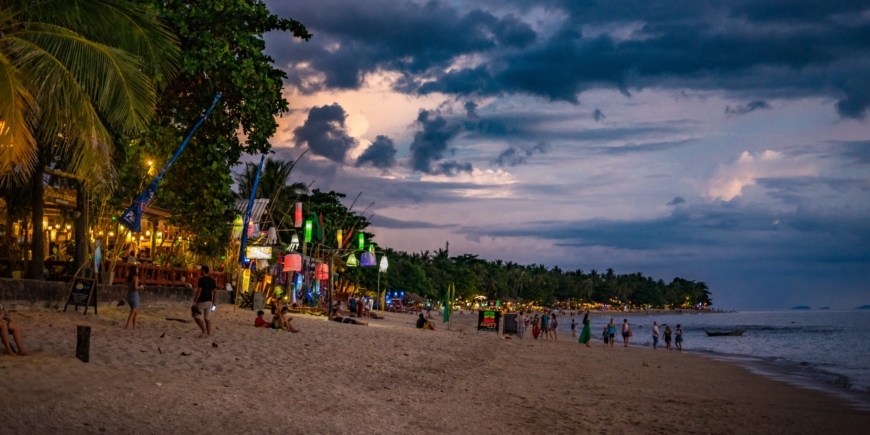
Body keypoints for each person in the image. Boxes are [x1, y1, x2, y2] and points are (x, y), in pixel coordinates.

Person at [191, 265, 217, 338]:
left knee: (196, 316)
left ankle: (204, 330)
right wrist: (214, 302)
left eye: (201, 270)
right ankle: (208, 334)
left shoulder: (201, 280)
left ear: (204, 271)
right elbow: (215, 292)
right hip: (209, 302)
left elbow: (199, 291)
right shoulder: (212, 280)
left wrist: (195, 300)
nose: (200, 272)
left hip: (202, 300)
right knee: (207, 318)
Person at [124, 265, 143, 330]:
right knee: (133, 311)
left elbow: (124, 287)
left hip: (129, 295)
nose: (138, 271)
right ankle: (127, 326)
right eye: (137, 269)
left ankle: (134, 327)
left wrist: (121, 296)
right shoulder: (136, 277)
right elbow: (135, 287)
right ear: (134, 270)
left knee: (135, 311)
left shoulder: (127, 277)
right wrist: (141, 287)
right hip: (134, 295)